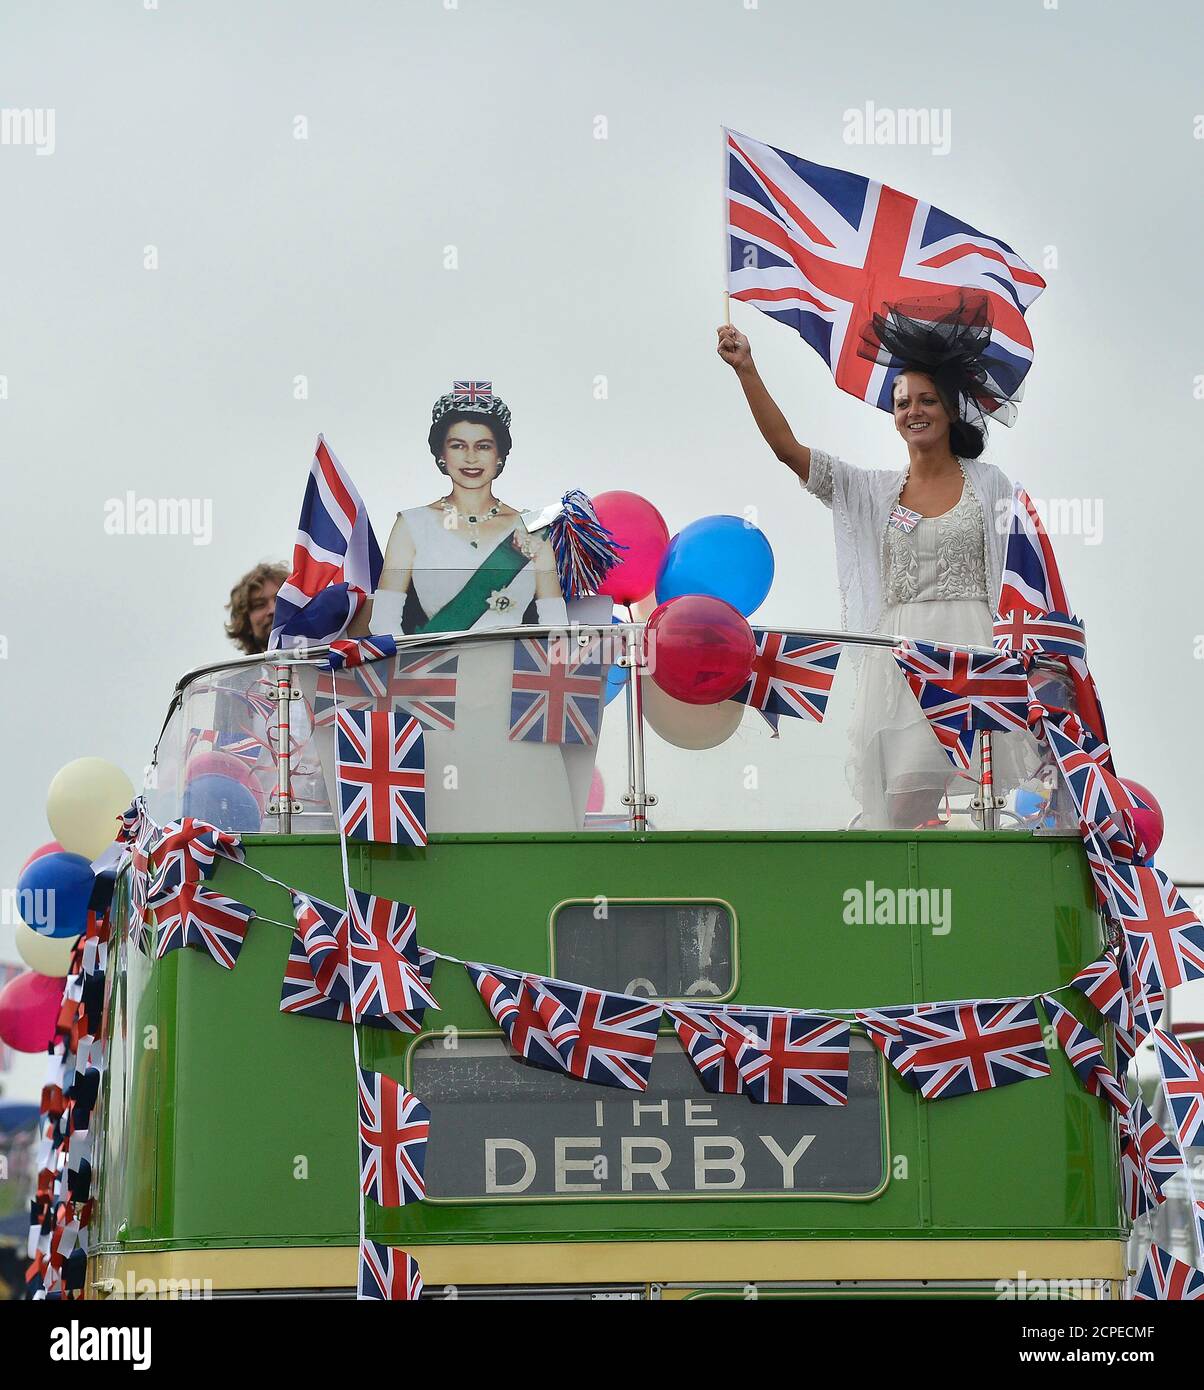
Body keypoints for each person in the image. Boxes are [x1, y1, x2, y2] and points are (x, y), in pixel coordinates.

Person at [716, 294, 1040, 829]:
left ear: (949, 408)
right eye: (902, 402)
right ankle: (885, 884)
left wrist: (1032, 657)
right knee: (907, 794)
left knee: (983, 800)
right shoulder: (872, 491)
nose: (914, 411)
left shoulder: (990, 484)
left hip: (975, 653)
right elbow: (788, 449)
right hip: (903, 662)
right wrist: (747, 369)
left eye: (926, 400)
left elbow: (1020, 578)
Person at [356, 385, 567, 635]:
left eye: (483, 446)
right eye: (458, 445)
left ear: (500, 455)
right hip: (433, 668)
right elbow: (384, 623)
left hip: (515, 669)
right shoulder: (411, 525)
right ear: (441, 455)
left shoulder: (533, 528)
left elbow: (556, 625)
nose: (470, 458)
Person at [225, 562, 287, 655]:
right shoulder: (236, 669)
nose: (273, 610)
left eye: (280, 600)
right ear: (246, 623)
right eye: (259, 605)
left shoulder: (316, 665)